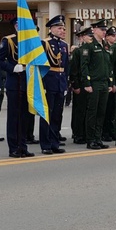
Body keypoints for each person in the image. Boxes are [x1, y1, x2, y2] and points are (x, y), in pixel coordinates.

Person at [0, 17, 35, 158]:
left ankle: (23, 146)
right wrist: (13, 67)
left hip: (28, 83)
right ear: (16, 26)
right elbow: (0, 60)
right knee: (14, 117)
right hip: (14, 83)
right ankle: (13, 147)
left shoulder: (31, 42)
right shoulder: (8, 41)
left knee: (25, 117)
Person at [80, 19, 113, 150]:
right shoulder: (89, 46)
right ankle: (91, 139)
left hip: (104, 83)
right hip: (94, 83)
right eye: (102, 29)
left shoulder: (105, 46)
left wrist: (110, 81)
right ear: (94, 30)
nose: (104, 32)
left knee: (101, 112)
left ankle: (98, 138)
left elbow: (108, 66)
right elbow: (84, 66)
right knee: (92, 112)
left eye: (105, 30)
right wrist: (87, 82)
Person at [40, 15, 69, 154]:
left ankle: (54, 142)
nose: (63, 30)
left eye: (63, 28)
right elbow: (41, 66)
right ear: (51, 29)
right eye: (59, 28)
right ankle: (45, 144)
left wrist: (66, 84)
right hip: (49, 82)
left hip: (60, 82)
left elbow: (66, 67)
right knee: (47, 114)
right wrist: (43, 84)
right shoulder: (44, 43)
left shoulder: (64, 45)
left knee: (57, 114)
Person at [69, 27, 93, 144]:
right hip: (80, 85)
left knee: (89, 110)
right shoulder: (78, 51)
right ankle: (78, 133)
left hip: (90, 85)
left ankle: (86, 133)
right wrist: (75, 85)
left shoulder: (92, 50)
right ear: (82, 37)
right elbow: (74, 70)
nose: (91, 39)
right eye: (89, 36)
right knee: (80, 110)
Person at [102, 25, 116, 142]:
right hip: (106, 81)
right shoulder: (105, 47)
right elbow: (108, 67)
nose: (115, 38)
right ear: (107, 37)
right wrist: (110, 82)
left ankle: (111, 130)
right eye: (112, 35)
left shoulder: (115, 48)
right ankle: (105, 132)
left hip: (114, 80)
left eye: (115, 35)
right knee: (106, 110)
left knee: (112, 109)